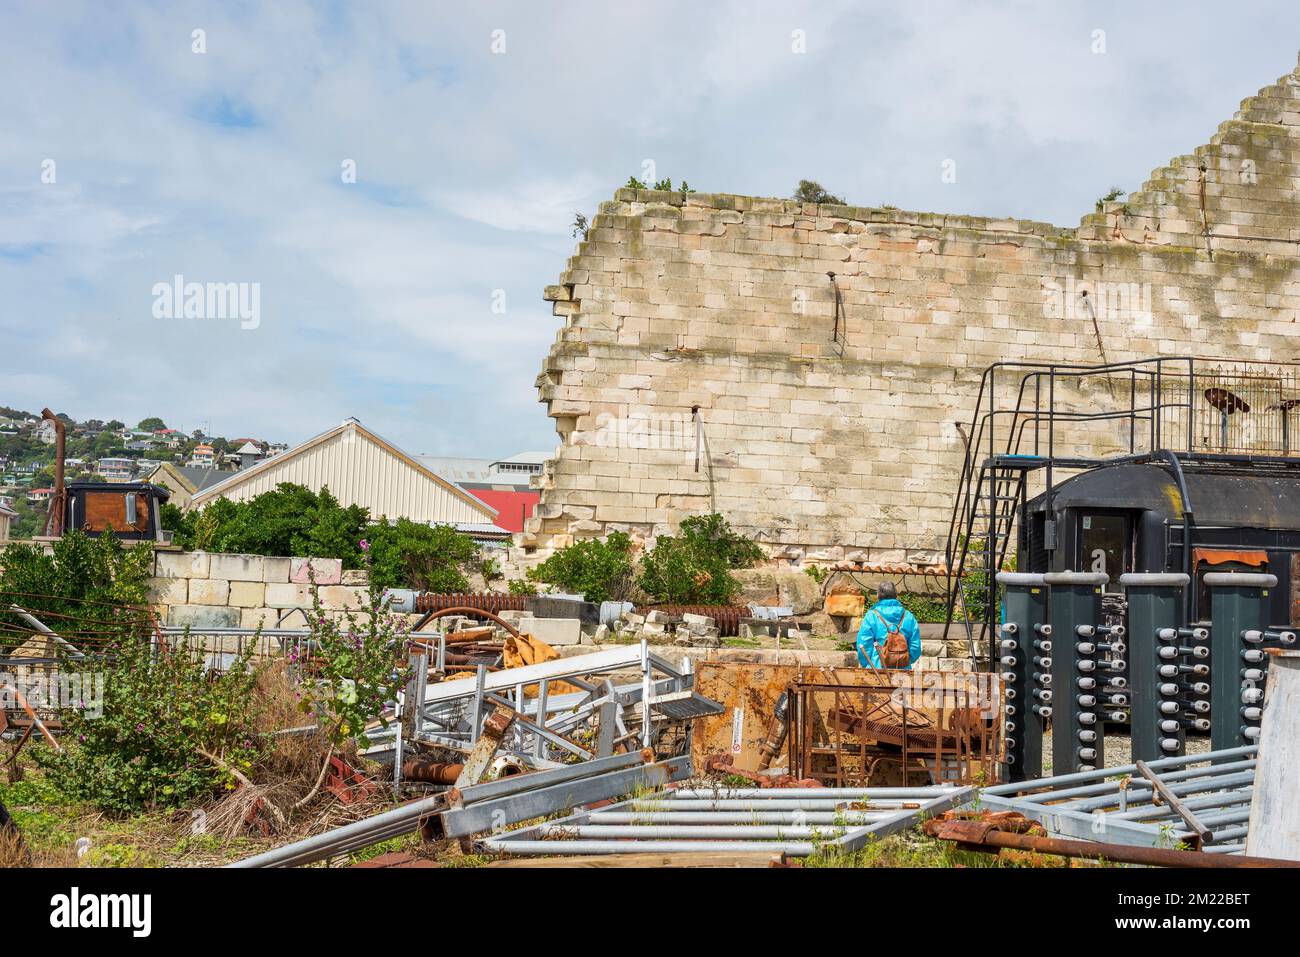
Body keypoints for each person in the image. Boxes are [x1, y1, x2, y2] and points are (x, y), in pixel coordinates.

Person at [855, 581, 922, 669]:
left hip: (877, 668)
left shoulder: (871, 616)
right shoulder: (908, 616)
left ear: (878, 596)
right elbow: (915, 647)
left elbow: (864, 643)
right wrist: (904, 661)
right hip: (903, 671)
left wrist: (867, 664)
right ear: (896, 596)